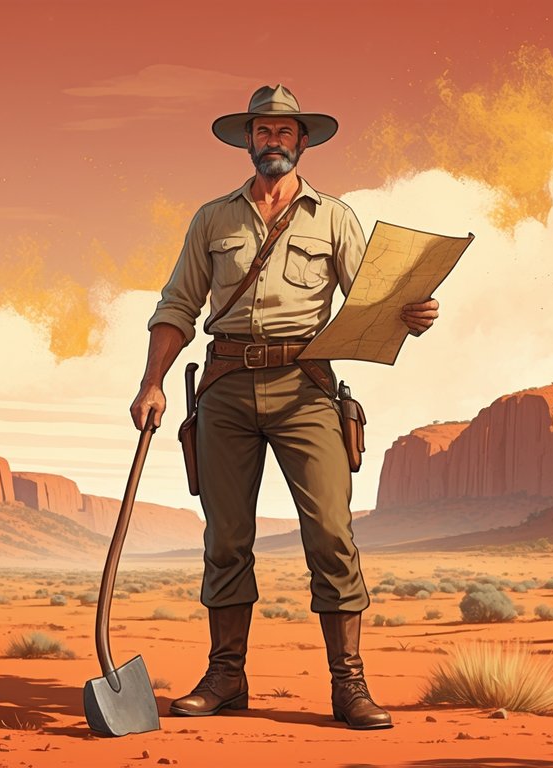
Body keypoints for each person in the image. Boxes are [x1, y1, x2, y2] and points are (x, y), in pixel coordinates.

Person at [129, 84, 438, 730]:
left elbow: (372, 302)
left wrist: (412, 315)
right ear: (248, 141)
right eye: (262, 132)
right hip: (225, 387)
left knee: (330, 532)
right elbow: (177, 306)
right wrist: (151, 382)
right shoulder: (212, 219)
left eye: (284, 132)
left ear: (303, 141)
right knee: (226, 539)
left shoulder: (335, 218)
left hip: (306, 386)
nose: (273, 141)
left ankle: (348, 685)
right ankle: (225, 675)